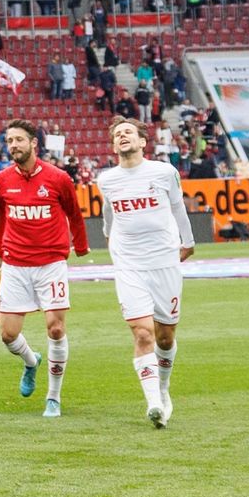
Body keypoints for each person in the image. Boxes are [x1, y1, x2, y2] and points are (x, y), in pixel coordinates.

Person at [95, 118, 193, 428]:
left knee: (165, 336)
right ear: (113, 146)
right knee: (142, 332)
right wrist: (110, 239)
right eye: (117, 135)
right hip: (129, 264)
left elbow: (178, 208)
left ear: (142, 142)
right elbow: (108, 213)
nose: (122, 137)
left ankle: (163, 390)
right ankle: (153, 402)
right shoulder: (106, 179)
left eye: (128, 133)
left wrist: (187, 242)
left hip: (164, 261)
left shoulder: (164, 173)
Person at [0, 119, 89, 418]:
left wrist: (80, 246)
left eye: (19, 139)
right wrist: (0, 252)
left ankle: (53, 397)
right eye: (9, 141)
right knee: (7, 334)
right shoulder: (2, 180)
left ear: (34, 143)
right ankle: (31, 361)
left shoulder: (58, 178)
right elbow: (1, 218)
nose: (13, 145)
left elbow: (75, 213)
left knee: (56, 328)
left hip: (51, 264)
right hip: (16, 265)